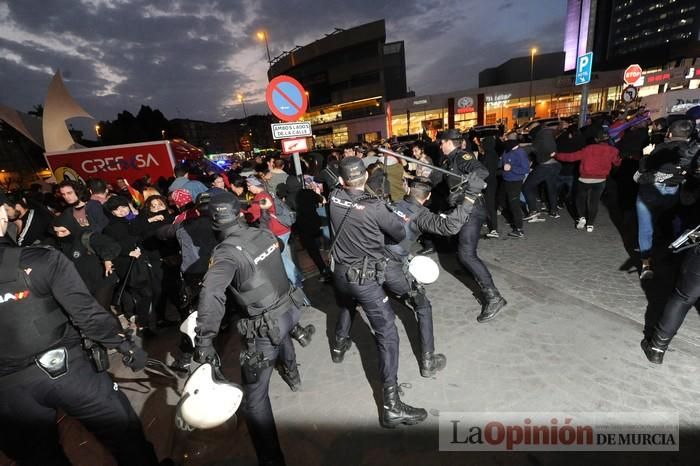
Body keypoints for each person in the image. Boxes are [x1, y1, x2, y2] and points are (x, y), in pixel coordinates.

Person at [0, 204, 160, 466]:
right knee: (125, 437)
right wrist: (125, 346)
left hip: (9, 395)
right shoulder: (40, 259)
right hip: (69, 374)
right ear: (3, 215)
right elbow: (86, 314)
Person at [194, 191, 305, 466]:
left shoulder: (226, 253)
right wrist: (265, 215)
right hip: (291, 310)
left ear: (214, 221)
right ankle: (293, 376)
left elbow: (211, 294)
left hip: (267, 324)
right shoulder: (262, 234)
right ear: (239, 212)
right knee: (281, 337)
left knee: (255, 399)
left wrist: (205, 340)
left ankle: (271, 459)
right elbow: (275, 246)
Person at [329, 156, 427, 428]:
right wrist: (385, 210)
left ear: (341, 180)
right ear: (365, 179)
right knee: (387, 332)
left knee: (348, 304)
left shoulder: (334, 197)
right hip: (365, 277)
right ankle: (391, 406)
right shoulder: (373, 207)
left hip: (340, 273)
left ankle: (338, 345)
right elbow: (397, 233)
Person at [385, 177, 473, 376]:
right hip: (391, 270)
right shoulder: (421, 215)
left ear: (408, 188)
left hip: (371, 264)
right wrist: (471, 197)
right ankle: (427, 361)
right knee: (423, 306)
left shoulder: (393, 204)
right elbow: (451, 226)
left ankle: (339, 343)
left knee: (355, 297)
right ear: (429, 196)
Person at [439, 129, 507, 322]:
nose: (440, 146)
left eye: (442, 142)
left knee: (467, 254)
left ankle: (494, 297)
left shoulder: (461, 156)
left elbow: (481, 171)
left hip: (472, 209)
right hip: (461, 209)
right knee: (458, 247)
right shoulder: (449, 160)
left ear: (449, 142)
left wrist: (464, 188)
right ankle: (470, 271)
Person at [634, 119, 696, 279]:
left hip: (650, 191)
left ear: (669, 133)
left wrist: (645, 156)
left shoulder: (659, 149)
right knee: (668, 221)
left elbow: (640, 174)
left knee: (646, 228)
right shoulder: (692, 152)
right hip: (672, 192)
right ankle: (672, 255)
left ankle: (646, 264)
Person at [556, 130, 621, 232]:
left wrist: (556, 155)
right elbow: (617, 163)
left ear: (596, 139)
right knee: (594, 202)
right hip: (600, 179)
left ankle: (582, 217)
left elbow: (571, 157)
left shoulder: (588, 149)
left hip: (585, 179)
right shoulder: (613, 150)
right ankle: (590, 225)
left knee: (580, 199)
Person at [499, 132, 530, 237]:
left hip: (515, 180)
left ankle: (519, 228)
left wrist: (512, 168)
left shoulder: (520, 152)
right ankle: (513, 220)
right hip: (506, 179)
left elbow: (525, 169)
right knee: (503, 200)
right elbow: (502, 163)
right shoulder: (507, 149)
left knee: (514, 203)